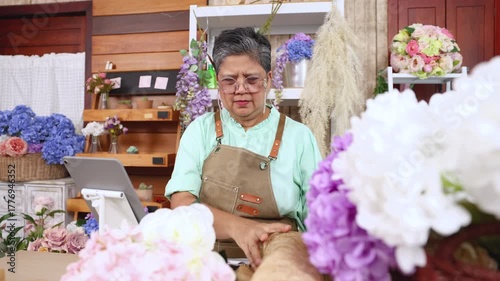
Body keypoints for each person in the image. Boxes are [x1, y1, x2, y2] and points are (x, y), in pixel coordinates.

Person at [165, 27, 322, 269]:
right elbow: (182, 203)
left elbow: (318, 216)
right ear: (219, 83)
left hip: (278, 259)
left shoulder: (299, 137)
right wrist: (240, 228)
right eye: (230, 80)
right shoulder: (200, 131)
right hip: (208, 259)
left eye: (251, 79)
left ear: (268, 80)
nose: (240, 89)